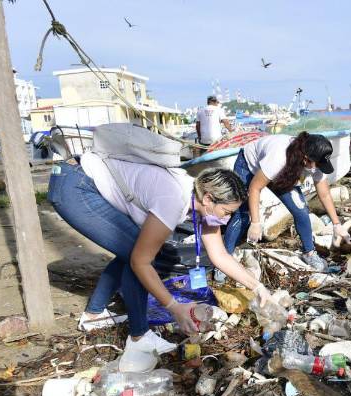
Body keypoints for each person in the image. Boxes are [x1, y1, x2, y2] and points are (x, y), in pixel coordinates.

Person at [46, 152, 275, 363]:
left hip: (79, 176)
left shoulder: (201, 203)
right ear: (208, 199)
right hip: (75, 185)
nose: (226, 221)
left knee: (133, 248)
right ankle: (139, 337)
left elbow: (219, 255)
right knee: (141, 256)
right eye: (226, 213)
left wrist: (258, 287)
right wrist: (174, 307)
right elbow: (140, 262)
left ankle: (93, 315)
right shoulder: (174, 200)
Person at [222, 132, 351, 272]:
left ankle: (309, 253)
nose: (319, 168)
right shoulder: (279, 156)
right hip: (248, 165)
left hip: (282, 172)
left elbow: (324, 194)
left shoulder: (315, 160)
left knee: (301, 210)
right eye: (318, 164)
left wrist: (337, 224)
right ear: (305, 159)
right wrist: (256, 222)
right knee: (243, 215)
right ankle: (224, 260)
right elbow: (255, 187)